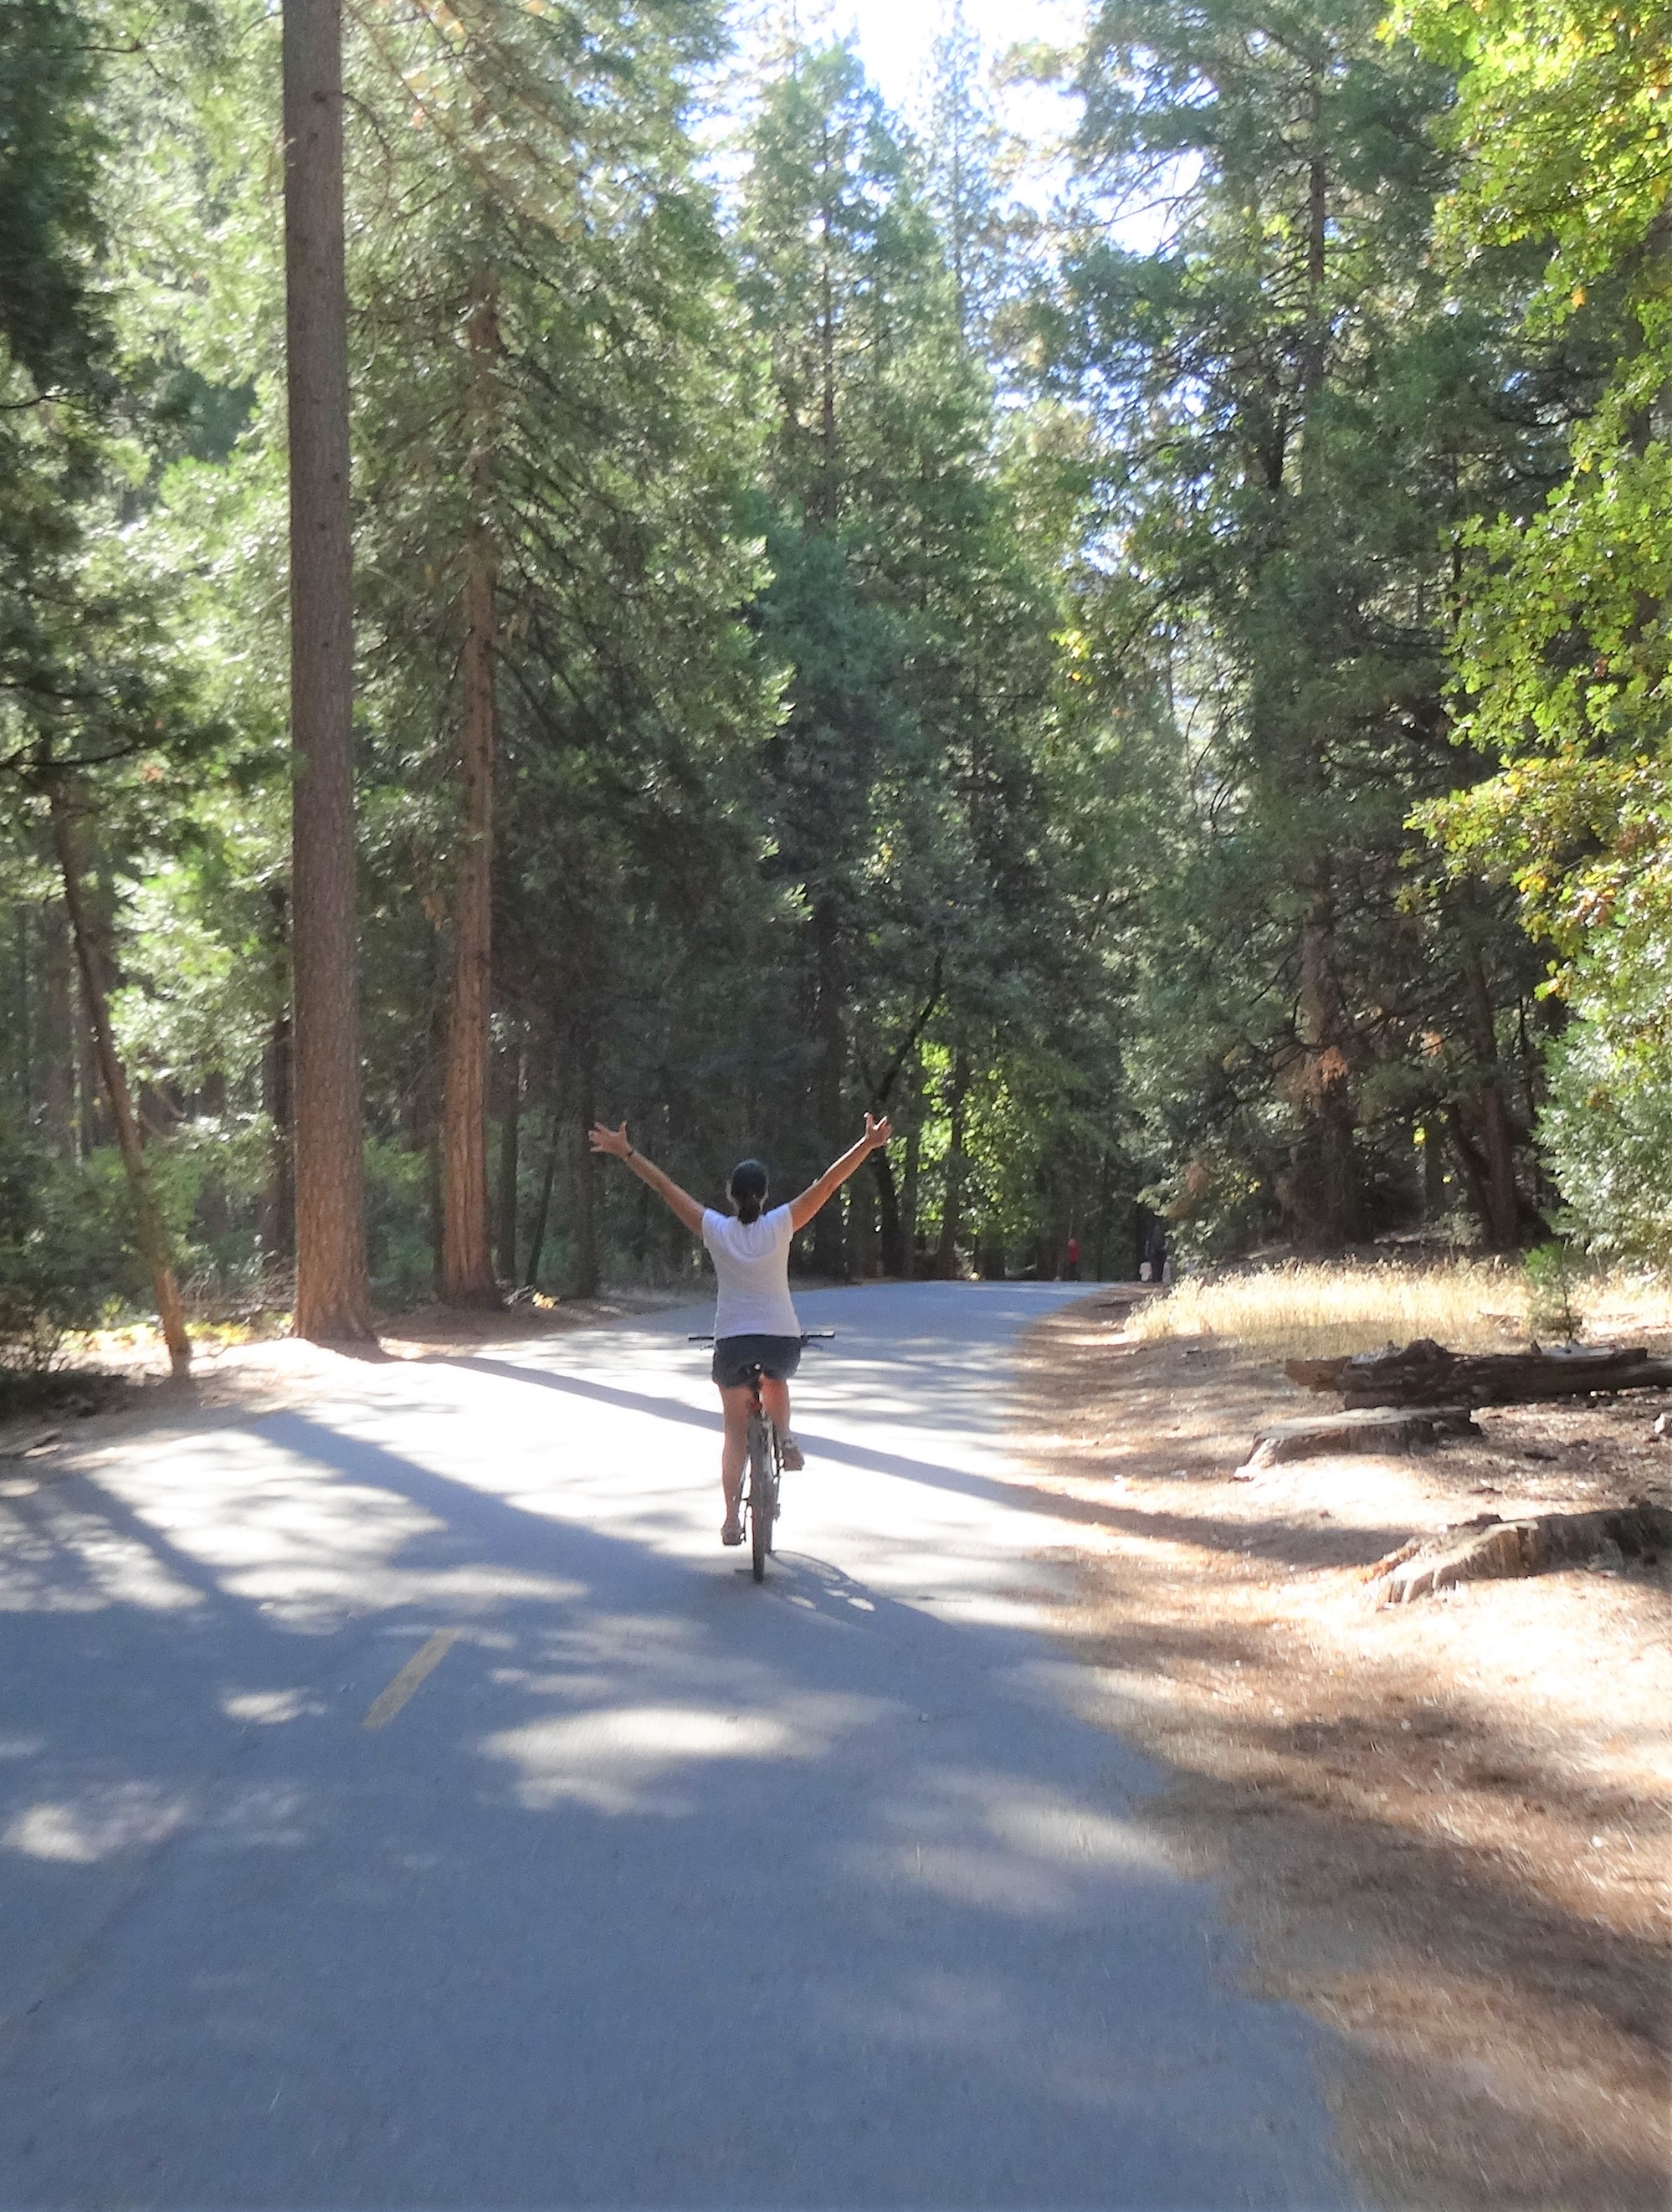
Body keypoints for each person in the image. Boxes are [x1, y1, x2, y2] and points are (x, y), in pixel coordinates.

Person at [587, 1115, 892, 1546]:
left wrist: (627, 1152)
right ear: (764, 1196)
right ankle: (785, 1436)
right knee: (776, 1378)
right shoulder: (782, 1223)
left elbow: (665, 1187)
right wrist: (867, 1145)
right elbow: (826, 1185)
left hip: (731, 1344)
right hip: (781, 1339)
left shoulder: (715, 1229)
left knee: (734, 1433)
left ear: (730, 1195)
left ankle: (732, 1519)